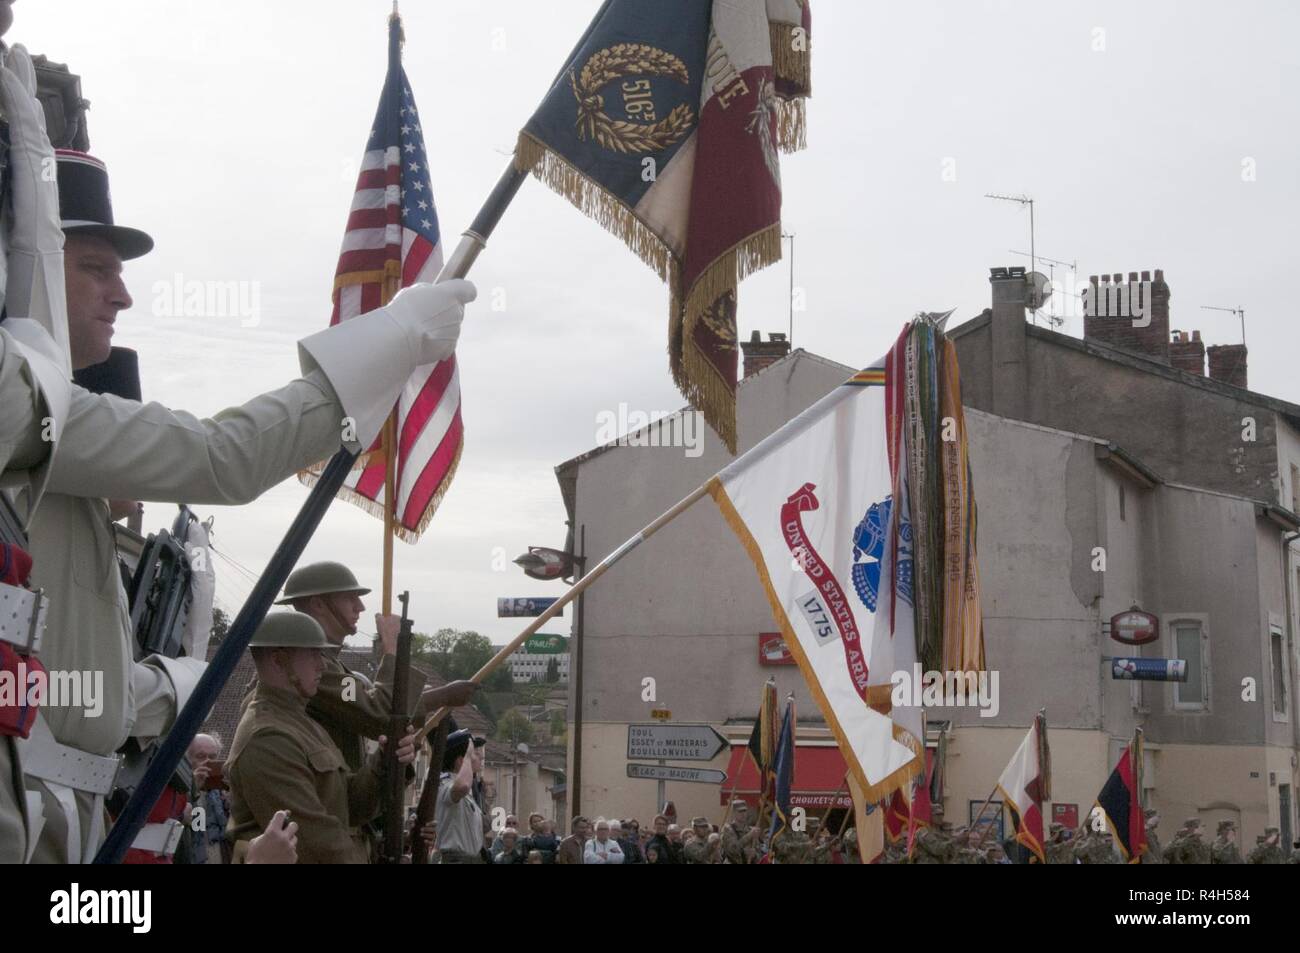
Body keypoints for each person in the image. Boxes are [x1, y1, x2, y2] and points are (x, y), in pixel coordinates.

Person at [14, 139, 476, 862]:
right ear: (27, 267)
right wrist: (386, 343)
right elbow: (219, 456)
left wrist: (169, 683)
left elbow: (78, 684)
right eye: (94, 268)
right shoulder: (29, 409)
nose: (123, 294)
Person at [225, 613, 416, 863]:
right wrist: (391, 653)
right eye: (313, 654)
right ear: (279, 659)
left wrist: (384, 762)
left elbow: (349, 806)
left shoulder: (302, 722)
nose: (322, 665)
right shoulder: (269, 736)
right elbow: (317, 844)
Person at [435, 729, 487, 864]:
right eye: (475, 753)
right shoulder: (444, 782)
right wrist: (468, 758)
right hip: (456, 859)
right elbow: (462, 786)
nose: (480, 757)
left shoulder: (468, 791)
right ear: (460, 761)